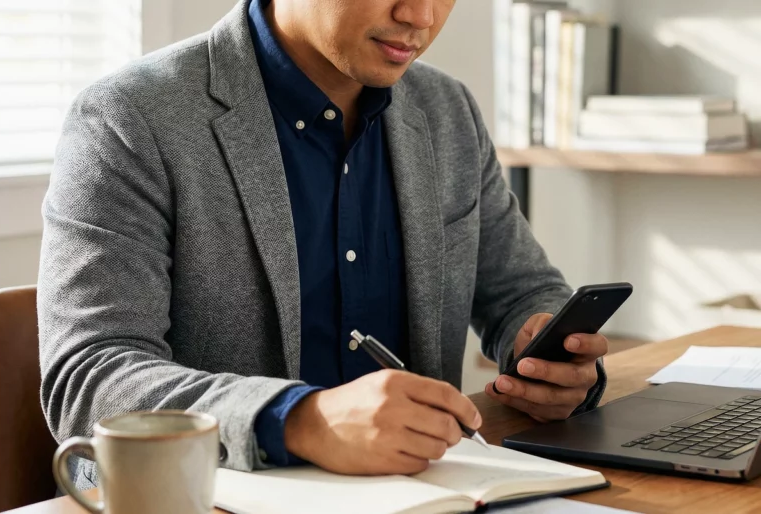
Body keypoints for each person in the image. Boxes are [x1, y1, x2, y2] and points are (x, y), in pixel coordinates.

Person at [38, 0, 608, 488]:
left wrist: (551, 354)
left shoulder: (447, 111)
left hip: (425, 489)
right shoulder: (129, 117)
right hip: (214, 494)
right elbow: (90, 378)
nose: (421, 16)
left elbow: (521, 289)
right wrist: (303, 420)